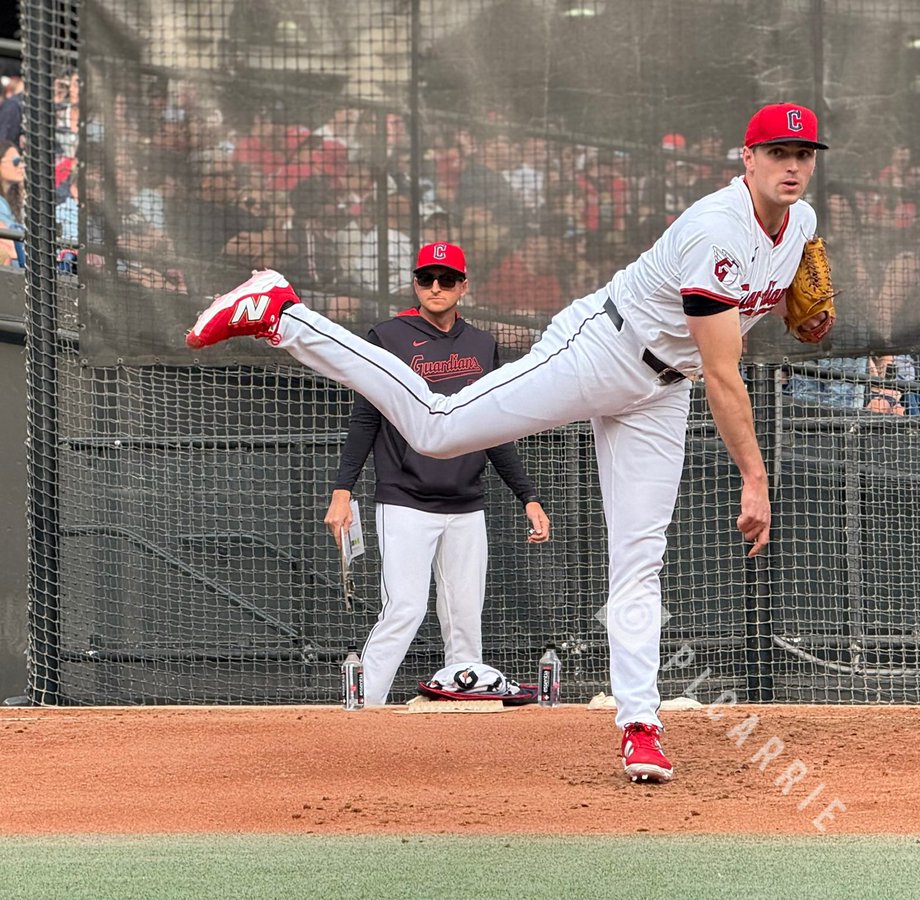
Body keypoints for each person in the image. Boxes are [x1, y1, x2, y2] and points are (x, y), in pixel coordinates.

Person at [186, 102, 833, 784]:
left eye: (804, 153)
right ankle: (284, 312)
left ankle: (640, 726)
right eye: (777, 152)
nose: (792, 165)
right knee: (437, 427)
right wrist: (754, 479)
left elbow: (788, 288)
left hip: (662, 390)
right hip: (603, 350)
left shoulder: (804, 223)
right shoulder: (715, 231)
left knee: (641, 555)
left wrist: (808, 308)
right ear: (747, 158)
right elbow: (726, 375)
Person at [325, 241, 550, 707]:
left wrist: (527, 495)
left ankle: (462, 718)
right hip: (405, 498)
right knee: (403, 610)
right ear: (415, 283)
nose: (435, 287)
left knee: (465, 619)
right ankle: (362, 711)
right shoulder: (387, 337)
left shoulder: (482, 344)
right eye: (426, 278)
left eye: (446, 279)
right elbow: (365, 417)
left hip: (466, 504)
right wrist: (342, 491)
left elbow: (494, 427)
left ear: (463, 286)